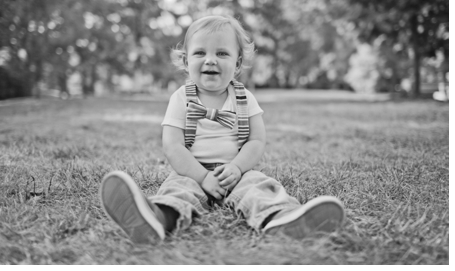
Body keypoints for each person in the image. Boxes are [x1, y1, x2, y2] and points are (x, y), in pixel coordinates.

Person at [99, 15, 344, 244]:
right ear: (186, 61)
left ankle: (282, 219)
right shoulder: (180, 98)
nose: (210, 59)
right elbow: (173, 146)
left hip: (235, 171)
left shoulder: (245, 98)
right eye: (200, 53)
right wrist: (202, 177)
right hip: (192, 171)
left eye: (222, 53)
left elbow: (256, 140)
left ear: (237, 64)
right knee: (178, 190)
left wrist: (238, 167)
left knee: (259, 187)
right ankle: (156, 218)